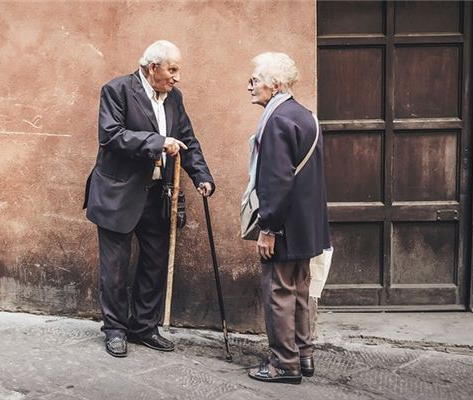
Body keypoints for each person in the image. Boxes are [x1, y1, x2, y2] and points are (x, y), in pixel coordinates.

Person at [83, 40, 215, 358]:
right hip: (118, 194)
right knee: (114, 269)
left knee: (154, 264)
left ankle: (143, 327)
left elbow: (187, 140)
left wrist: (202, 177)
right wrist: (157, 142)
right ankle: (115, 330)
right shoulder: (116, 90)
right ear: (153, 67)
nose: (177, 77)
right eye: (172, 69)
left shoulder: (174, 98)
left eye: (177, 70)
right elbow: (111, 135)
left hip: (157, 195)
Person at [243, 52, 330, 383]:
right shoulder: (305, 115)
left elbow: (277, 180)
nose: (250, 85)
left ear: (275, 84)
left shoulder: (277, 119)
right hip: (306, 226)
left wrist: (269, 228)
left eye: (255, 80)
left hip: (285, 226)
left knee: (279, 291)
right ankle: (303, 355)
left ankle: (284, 364)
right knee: (299, 290)